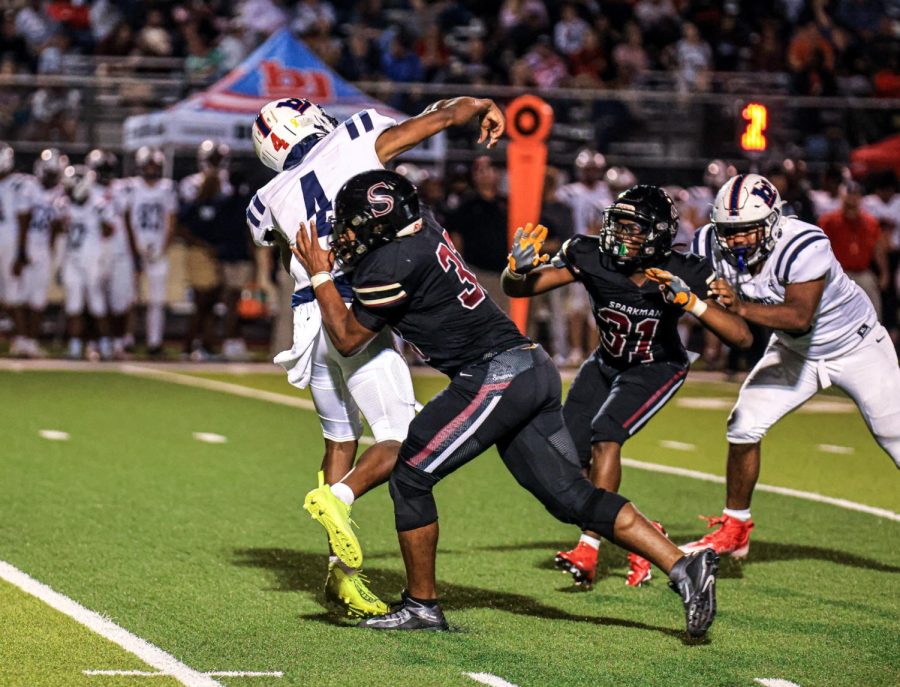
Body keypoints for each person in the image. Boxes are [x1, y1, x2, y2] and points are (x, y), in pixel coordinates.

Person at [292, 169, 720, 637]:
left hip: (497, 372)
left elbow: (349, 338)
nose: (347, 234)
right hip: (529, 367)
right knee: (570, 497)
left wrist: (319, 274)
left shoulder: (390, 264)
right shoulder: (425, 229)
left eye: (355, 224)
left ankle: (421, 604)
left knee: (413, 473)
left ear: (382, 224)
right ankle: (683, 566)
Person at [247, 94, 507, 617]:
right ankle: (339, 500)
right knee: (400, 436)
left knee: (339, 438)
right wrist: (478, 105)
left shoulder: (267, 196)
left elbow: (282, 250)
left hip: (308, 319)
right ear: (311, 120)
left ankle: (341, 576)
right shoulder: (355, 135)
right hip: (356, 308)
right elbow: (437, 120)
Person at [502, 186, 752, 588]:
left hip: (657, 366)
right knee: (565, 460)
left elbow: (741, 337)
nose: (620, 235)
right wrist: (516, 270)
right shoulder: (590, 255)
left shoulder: (685, 269)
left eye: (633, 229)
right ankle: (642, 532)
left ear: (657, 235)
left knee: (607, 435)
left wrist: (693, 304)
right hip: (606, 363)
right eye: (617, 224)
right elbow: (521, 288)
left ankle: (589, 548)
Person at [682, 173, 900, 558]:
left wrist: (739, 306)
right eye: (729, 231)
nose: (737, 240)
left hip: (857, 346)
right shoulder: (706, 245)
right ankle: (736, 527)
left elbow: (800, 316)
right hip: (796, 351)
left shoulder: (803, 243)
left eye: (747, 230)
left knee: (895, 438)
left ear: (771, 221)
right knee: (743, 425)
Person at [11, 148, 68, 358]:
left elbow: (57, 226)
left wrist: (53, 253)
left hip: (43, 249)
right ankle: (21, 339)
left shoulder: (60, 193)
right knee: (18, 297)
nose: (50, 177)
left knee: (38, 299)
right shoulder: (28, 188)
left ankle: (31, 342)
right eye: (49, 173)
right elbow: (22, 221)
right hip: (27, 245)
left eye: (54, 174)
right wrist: (20, 251)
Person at [123, 146, 177, 356]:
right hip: (136, 247)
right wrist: (133, 247)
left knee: (156, 299)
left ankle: (155, 342)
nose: (152, 169)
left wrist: (162, 248)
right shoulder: (132, 187)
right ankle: (127, 339)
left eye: (155, 165)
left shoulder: (166, 188)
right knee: (131, 298)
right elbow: (126, 218)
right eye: (149, 165)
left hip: (157, 248)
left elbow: (171, 221)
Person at [58, 164, 115, 360]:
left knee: (97, 306)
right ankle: (75, 348)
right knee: (74, 306)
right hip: (72, 259)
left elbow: (109, 230)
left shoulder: (98, 205)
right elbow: (56, 229)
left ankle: (106, 347)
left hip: (92, 259)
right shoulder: (64, 204)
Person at [86, 148, 134, 359]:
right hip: (95, 252)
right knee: (96, 301)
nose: (106, 173)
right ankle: (95, 343)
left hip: (120, 251)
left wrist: (134, 253)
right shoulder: (85, 191)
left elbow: (127, 222)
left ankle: (117, 343)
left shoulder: (122, 190)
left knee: (120, 302)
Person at [818, 182, 889, 320]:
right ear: (842, 198)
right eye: (848, 197)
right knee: (833, 312)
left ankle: (875, 336)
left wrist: (884, 273)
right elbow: (820, 248)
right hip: (838, 273)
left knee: (873, 305)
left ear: (860, 199)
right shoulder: (829, 221)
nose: (852, 200)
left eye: (855, 196)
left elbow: (878, 249)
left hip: (863, 272)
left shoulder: (870, 221)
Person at [0, 142, 29, 351]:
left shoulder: (18, 184)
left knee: (13, 294)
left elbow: (23, 219)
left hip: (8, 242)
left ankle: (23, 340)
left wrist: (20, 252)